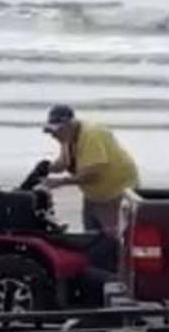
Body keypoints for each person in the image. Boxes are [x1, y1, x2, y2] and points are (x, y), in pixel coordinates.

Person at [41, 105, 140, 273]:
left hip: (115, 191)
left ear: (68, 125)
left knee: (114, 239)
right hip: (93, 195)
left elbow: (94, 173)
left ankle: (117, 273)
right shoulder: (68, 138)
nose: (53, 135)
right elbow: (65, 162)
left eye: (56, 131)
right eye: (51, 131)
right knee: (92, 237)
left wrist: (61, 182)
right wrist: (46, 168)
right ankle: (97, 270)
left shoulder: (92, 135)